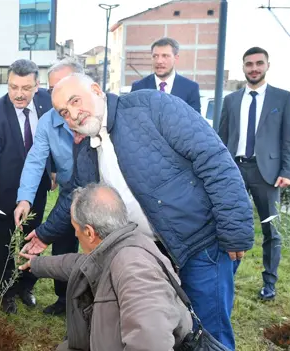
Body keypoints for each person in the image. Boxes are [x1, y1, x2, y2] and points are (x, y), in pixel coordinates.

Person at [22, 73, 254, 350]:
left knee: (208, 333)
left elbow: (214, 159)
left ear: (96, 90)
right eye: (64, 112)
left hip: (201, 245)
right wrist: (45, 235)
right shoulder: (86, 152)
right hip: (153, 253)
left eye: (75, 101)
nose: (73, 114)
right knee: (172, 329)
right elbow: (74, 197)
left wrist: (235, 229)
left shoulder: (152, 107)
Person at [19, 183, 193, 351]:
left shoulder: (134, 269)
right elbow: (78, 264)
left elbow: (151, 343)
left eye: (75, 228)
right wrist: (35, 264)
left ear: (89, 232)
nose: (74, 234)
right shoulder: (118, 246)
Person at [219, 47, 290, 301]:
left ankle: (269, 283)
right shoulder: (231, 101)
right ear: (243, 67)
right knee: (226, 225)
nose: (254, 68)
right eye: (249, 64)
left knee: (271, 231)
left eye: (259, 63)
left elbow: (289, 139)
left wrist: (287, 170)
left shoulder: (282, 98)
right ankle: (224, 277)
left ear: (267, 65)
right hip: (234, 170)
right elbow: (220, 139)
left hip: (269, 174)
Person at [0, 59, 52, 314]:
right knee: (3, 242)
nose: (19, 94)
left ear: (37, 86)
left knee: (33, 236)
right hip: (5, 189)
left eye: (26, 88)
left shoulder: (49, 103)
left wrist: (52, 169)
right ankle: (5, 291)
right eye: (13, 87)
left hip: (38, 187)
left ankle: (26, 286)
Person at [13, 58, 82, 316]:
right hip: (67, 196)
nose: (56, 95)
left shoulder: (94, 116)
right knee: (63, 246)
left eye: (63, 87)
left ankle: (94, 302)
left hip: (102, 197)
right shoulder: (47, 122)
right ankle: (63, 299)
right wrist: (24, 200)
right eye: (52, 89)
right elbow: (34, 161)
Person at [131, 37, 201, 113]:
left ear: (176, 58)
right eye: (155, 56)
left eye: (165, 56)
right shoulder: (138, 87)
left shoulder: (190, 88)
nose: (159, 61)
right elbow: (131, 118)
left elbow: (195, 122)